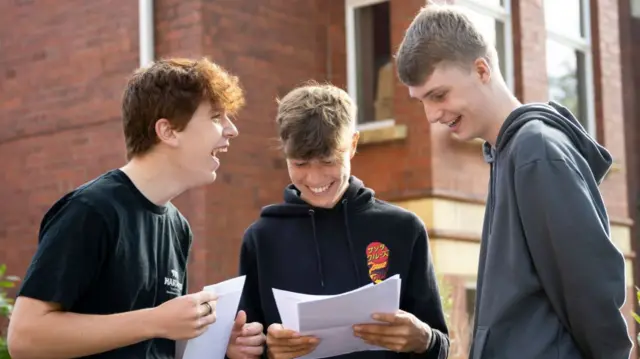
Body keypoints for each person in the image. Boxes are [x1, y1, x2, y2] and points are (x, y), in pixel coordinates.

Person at [394, 4, 633, 359]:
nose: (431, 115)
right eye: (422, 101)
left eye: (439, 95)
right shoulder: (506, 151)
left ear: (481, 70)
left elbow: (591, 292)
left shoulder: (535, 152)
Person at [7, 58, 266, 359]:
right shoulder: (91, 210)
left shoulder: (178, 227)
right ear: (168, 131)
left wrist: (215, 342)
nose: (231, 130)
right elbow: (24, 338)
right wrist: (155, 321)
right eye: (216, 117)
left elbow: (153, 343)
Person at [237, 82, 450, 359]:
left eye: (328, 161)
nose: (315, 179)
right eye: (300, 164)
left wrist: (425, 340)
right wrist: (267, 351)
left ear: (352, 145)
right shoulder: (262, 239)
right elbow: (244, 348)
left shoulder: (403, 230)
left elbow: (440, 345)